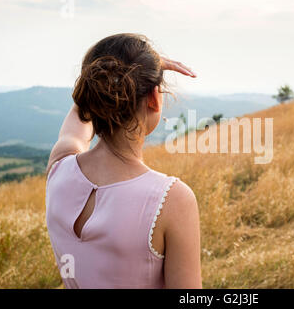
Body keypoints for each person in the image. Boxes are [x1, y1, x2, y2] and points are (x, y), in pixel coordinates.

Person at [45, 33, 201, 289]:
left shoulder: (60, 165)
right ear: (154, 97)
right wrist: (147, 67)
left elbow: (76, 124)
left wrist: (139, 71)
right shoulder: (172, 199)